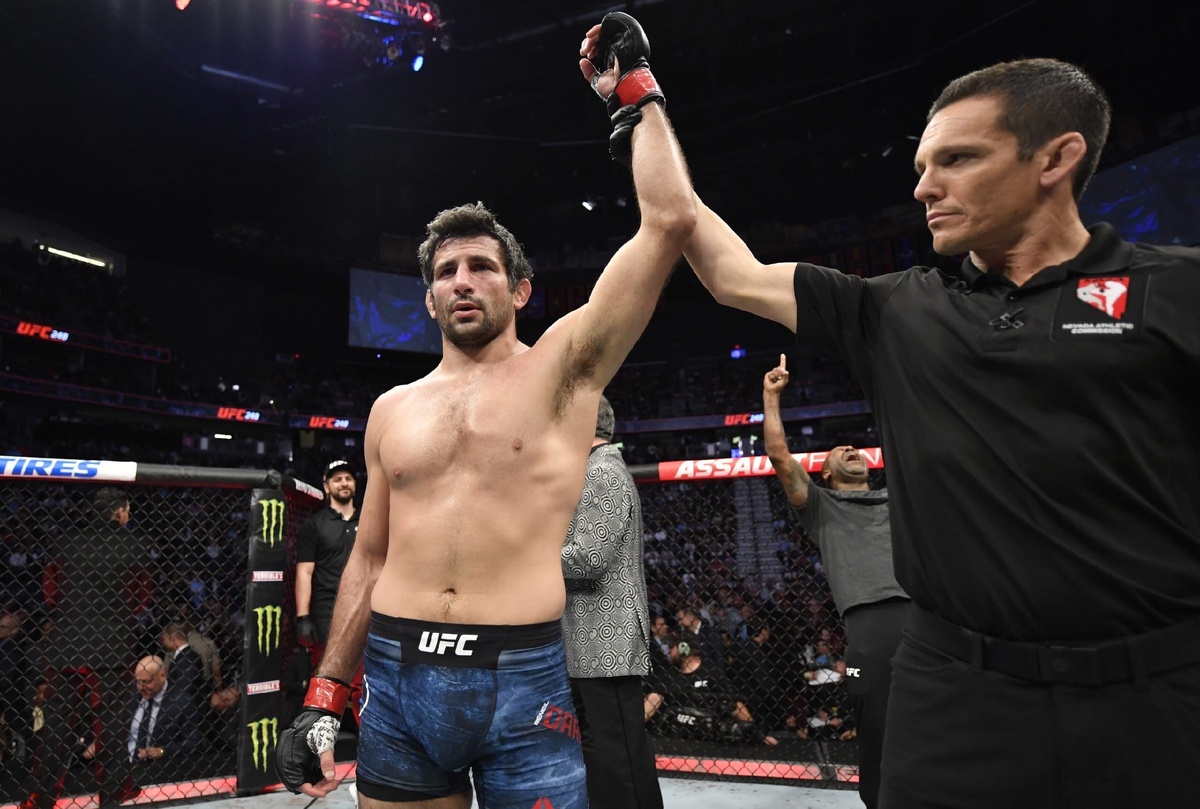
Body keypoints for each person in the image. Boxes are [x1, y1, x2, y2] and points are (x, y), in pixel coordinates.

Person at [684, 57, 1200, 807]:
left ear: (1056, 158)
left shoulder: (1179, 292)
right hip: (953, 693)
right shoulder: (897, 310)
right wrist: (639, 104)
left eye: (957, 159)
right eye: (923, 166)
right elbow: (729, 272)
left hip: (1158, 696)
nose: (925, 187)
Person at [274, 12, 696, 809]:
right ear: (428, 299)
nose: (462, 280)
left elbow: (670, 223)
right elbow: (369, 557)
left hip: (523, 680)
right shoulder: (391, 408)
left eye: (481, 266)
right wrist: (326, 689)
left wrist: (637, 96)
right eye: (446, 271)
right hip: (396, 679)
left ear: (521, 288)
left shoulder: (563, 372)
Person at [762, 355, 908, 809]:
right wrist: (771, 397)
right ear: (825, 474)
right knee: (877, 720)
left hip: (924, 612)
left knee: (940, 713)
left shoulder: (898, 496)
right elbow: (780, 456)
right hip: (869, 625)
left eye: (855, 448)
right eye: (840, 450)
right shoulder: (820, 506)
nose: (850, 448)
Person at [560, 393, 663, 809]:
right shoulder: (591, 470)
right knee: (604, 750)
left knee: (617, 752)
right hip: (591, 639)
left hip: (607, 640)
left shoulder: (602, 472)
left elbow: (587, 558)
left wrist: (526, 555)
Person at [24, 487, 147, 809]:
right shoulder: (133, 544)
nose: (129, 516)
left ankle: (40, 798)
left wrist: (76, 612)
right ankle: (113, 795)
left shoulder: (64, 542)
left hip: (68, 643)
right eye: (128, 510)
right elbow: (140, 598)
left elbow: (51, 593)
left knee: (57, 726)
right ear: (119, 511)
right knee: (112, 725)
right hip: (112, 645)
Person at [294, 459, 362, 722]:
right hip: (328, 609)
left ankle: (366, 737)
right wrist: (303, 617)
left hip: (364, 606)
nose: (344, 483)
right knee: (331, 676)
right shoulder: (315, 525)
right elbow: (305, 572)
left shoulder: (368, 521)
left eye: (348, 478)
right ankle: (320, 735)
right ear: (326, 486)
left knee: (363, 678)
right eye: (337, 479)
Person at [123, 656, 201, 786]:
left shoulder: (182, 702)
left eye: (147, 682)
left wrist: (162, 751)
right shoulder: (131, 694)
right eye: (138, 682)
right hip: (125, 766)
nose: (141, 687)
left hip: (160, 772)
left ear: (163, 675)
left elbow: (192, 742)